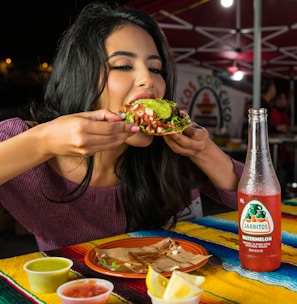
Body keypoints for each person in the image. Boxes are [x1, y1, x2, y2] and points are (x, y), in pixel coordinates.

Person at [0, 2, 243, 251]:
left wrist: (204, 150)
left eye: (155, 68)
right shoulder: (22, 140)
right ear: (82, 77)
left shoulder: (172, 152)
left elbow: (264, 206)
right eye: (124, 66)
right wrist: (42, 142)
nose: (148, 80)